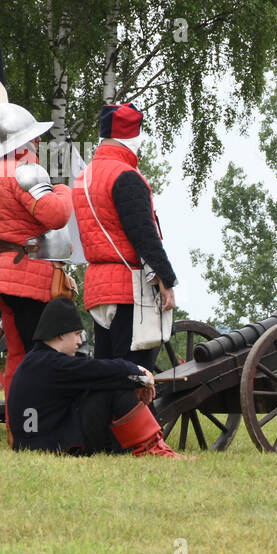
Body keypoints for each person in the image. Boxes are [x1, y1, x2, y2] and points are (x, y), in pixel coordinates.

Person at [7, 297, 189, 458]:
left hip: (36, 441)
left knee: (113, 379)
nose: (79, 342)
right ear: (61, 333)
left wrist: (133, 375)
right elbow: (109, 370)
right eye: (77, 334)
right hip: (50, 445)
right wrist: (142, 376)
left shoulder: (37, 360)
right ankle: (151, 447)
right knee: (117, 384)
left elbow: (98, 372)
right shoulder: (54, 364)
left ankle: (134, 447)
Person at [0, 102, 75, 393]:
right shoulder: (25, 172)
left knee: (18, 355)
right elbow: (56, 215)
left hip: (4, 271)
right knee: (41, 353)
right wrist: (63, 190)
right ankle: (37, 428)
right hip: (28, 274)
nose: (38, 141)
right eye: (33, 137)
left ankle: (18, 431)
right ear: (20, 141)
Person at [73, 102, 177, 372]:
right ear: (132, 137)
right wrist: (166, 280)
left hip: (98, 288)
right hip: (127, 289)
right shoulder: (126, 176)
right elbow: (143, 234)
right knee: (134, 377)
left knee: (108, 375)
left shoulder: (83, 178)